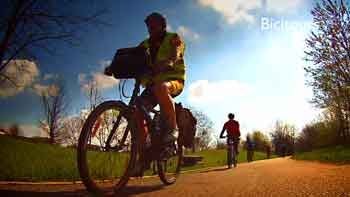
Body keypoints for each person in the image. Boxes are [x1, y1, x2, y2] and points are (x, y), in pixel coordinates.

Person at [107, 12, 186, 175]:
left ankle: (172, 130)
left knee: (161, 88)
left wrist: (171, 60)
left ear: (162, 25)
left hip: (173, 80)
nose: (150, 28)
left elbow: (177, 50)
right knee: (137, 113)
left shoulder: (173, 37)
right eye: (148, 25)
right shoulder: (145, 44)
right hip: (151, 85)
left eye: (154, 24)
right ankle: (144, 158)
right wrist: (113, 67)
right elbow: (132, 57)